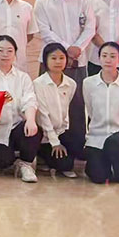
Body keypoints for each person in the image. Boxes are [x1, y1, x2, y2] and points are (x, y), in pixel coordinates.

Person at [33, 0, 95, 148]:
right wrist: (67, 50)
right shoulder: (42, 3)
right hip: (51, 61)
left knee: (76, 103)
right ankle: (47, 145)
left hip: (78, 60)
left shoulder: (83, 1)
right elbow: (44, 31)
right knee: (47, 103)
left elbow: (90, 28)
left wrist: (77, 48)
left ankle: (76, 144)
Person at [0, 35, 41, 183]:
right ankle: (6, 158)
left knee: (33, 130)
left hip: (16, 126)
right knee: (1, 161)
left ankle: (25, 164)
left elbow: (29, 100)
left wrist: (31, 120)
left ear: (15, 53)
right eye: (0, 50)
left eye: (9, 51)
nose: (5, 54)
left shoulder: (23, 77)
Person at [83, 42, 119, 184]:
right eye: (104, 56)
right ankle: (107, 165)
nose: (108, 60)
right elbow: (90, 111)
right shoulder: (88, 83)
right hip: (97, 137)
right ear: (99, 58)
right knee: (97, 177)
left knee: (114, 143)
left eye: (112, 56)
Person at [33, 43, 82, 178]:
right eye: (53, 58)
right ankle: (44, 156)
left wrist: (64, 135)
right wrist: (55, 142)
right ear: (46, 60)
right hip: (45, 134)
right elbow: (43, 115)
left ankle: (58, 161)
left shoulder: (71, 83)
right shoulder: (38, 83)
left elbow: (66, 109)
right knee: (62, 163)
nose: (58, 62)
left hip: (61, 131)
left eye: (61, 58)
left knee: (78, 142)